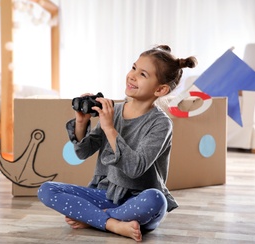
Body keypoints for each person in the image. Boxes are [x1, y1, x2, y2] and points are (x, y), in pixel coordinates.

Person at [37, 45, 197, 242]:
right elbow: (82, 153)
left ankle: (95, 218)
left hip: (137, 201)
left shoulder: (161, 124)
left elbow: (134, 168)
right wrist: (81, 121)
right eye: (133, 68)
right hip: (105, 195)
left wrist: (109, 128)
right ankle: (112, 223)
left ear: (160, 89)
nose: (132, 76)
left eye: (143, 74)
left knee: (156, 200)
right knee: (47, 189)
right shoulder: (115, 111)